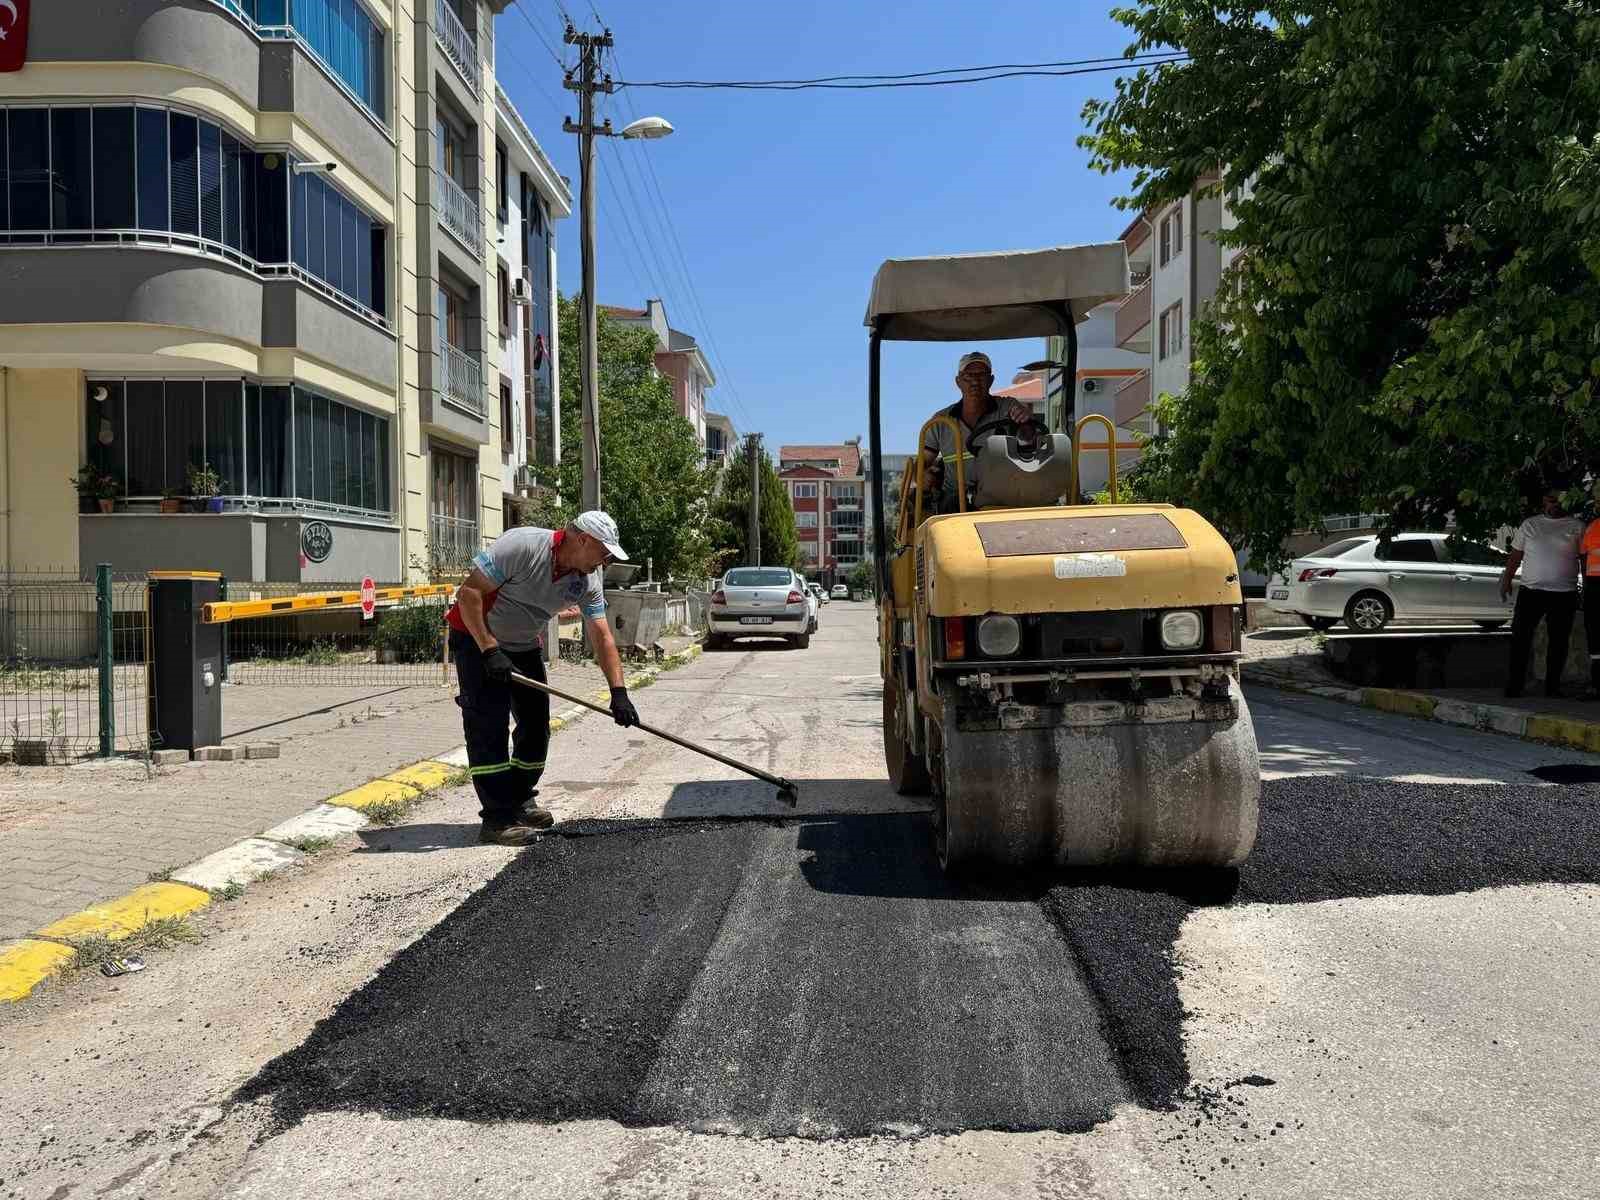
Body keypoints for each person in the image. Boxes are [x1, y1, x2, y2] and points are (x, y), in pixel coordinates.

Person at [446, 511, 641, 845]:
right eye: (604, 551)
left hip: (522, 646)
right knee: (488, 727)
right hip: (477, 640)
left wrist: (619, 691)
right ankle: (496, 819)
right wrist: (490, 649)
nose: (605, 560)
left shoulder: (587, 580)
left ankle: (520, 799)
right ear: (582, 540)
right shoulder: (523, 546)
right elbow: (469, 595)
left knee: (536, 726)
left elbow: (602, 636)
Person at [919, 351, 1037, 514]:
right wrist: (923, 475)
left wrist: (1026, 422)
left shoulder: (1008, 408)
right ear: (958, 381)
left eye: (981, 375)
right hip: (956, 501)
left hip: (1002, 495)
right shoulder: (941, 421)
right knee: (948, 505)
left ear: (991, 380)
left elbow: (1029, 440)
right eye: (968, 375)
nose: (975, 381)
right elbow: (922, 462)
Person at [1500, 489, 1584, 699]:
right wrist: (1507, 579)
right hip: (1531, 592)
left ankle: (1552, 687)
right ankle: (1514, 685)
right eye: (1550, 501)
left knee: (1559, 641)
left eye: (1558, 501)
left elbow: (1584, 559)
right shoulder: (1530, 524)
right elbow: (1516, 555)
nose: (1554, 504)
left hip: (1564, 593)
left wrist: (1588, 588)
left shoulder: (1576, 527)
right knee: (1520, 638)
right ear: (1544, 502)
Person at [1581, 483, 1600, 697]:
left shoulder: (1593, 526)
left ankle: (1596, 684)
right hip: (1594, 585)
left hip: (1594, 586)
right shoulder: (1593, 526)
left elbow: (1584, 556)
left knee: (1595, 634)